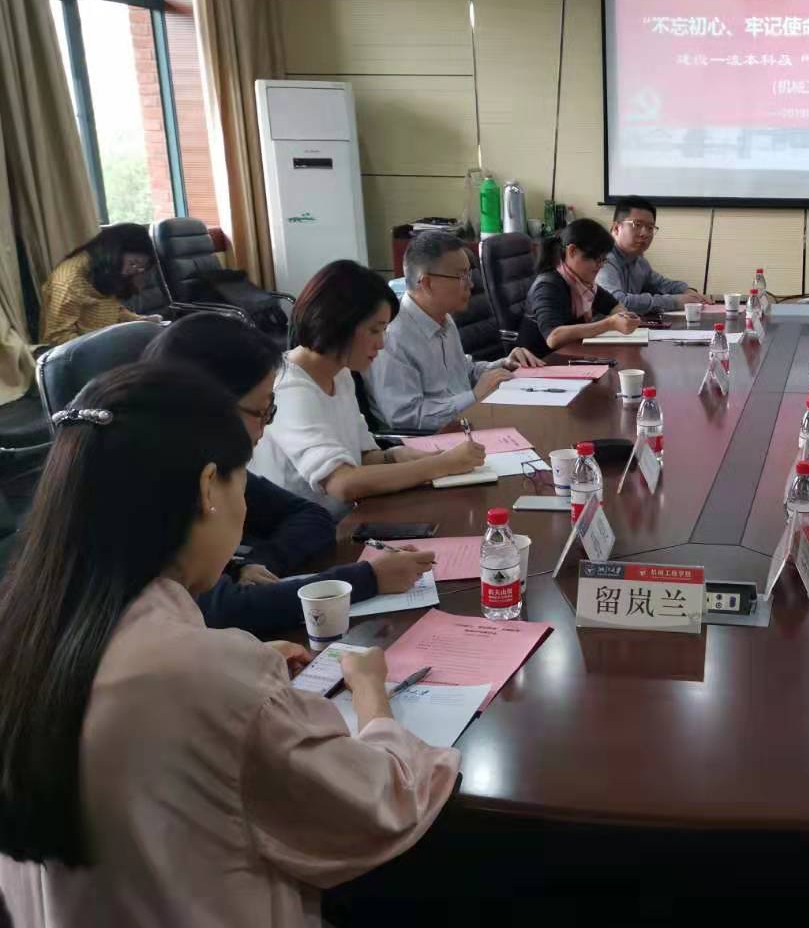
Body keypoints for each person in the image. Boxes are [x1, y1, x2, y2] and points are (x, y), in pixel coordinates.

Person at [0, 362, 459, 928]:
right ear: (208, 488)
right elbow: (379, 805)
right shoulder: (206, 673)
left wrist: (241, 682)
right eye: (242, 483)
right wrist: (373, 695)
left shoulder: (24, 629)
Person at [143, 313, 435, 636]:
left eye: (271, 411)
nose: (265, 428)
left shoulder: (210, 461)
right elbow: (219, 610)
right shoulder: (154, 480)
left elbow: (313, 516)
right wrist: (368, 579)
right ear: (209, 406)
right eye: (260, 411)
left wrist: (251, 565)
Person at [250, 259, 487, 515]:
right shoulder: (291, 389)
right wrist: (442, 465)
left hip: (349, 516)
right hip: (310, 531)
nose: (382, 343)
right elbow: (342, 483)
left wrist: (393, 456)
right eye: (375, 330)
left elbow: (362, 457)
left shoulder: (339, 373)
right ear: (339, 324)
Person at [366, 230, 543, 431]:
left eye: (469, 275)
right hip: (432, 440)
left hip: (468, 422)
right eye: (462, 276)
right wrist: (473, 397)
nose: (471, 284)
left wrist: (502, 366)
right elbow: (405, 417)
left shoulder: (444, 318)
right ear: (427, 283)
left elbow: (463, 373)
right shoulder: (392, 337)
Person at [517, 218, 640, 358]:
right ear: (572, 251)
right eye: (597, 259)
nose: (600, 266)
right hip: (540, 362)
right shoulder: (547, 285)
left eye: (603, 260)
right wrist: (609, 324)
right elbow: (553, 337)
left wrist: (624, 317)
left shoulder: (583, 284)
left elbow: (615, 306)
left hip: (569, 357)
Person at [39, 223, 163, 345]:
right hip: (78, 351)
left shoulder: (104, 270)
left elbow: (112, 310)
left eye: (141, 267)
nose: (134, 271)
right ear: (113, 252)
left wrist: (141, 321)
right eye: (133, 263)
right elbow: (57, 337)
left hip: (104, 340)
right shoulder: (68, 282)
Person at [598, 196, 708, 313]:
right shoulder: (602, 259)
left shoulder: (639, 261)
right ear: (616, 228)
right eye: (637, 225)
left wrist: (686, 291)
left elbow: (661, 284)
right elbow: (617, 303)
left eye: (650, 228)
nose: (644, 233)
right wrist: (675, 301)